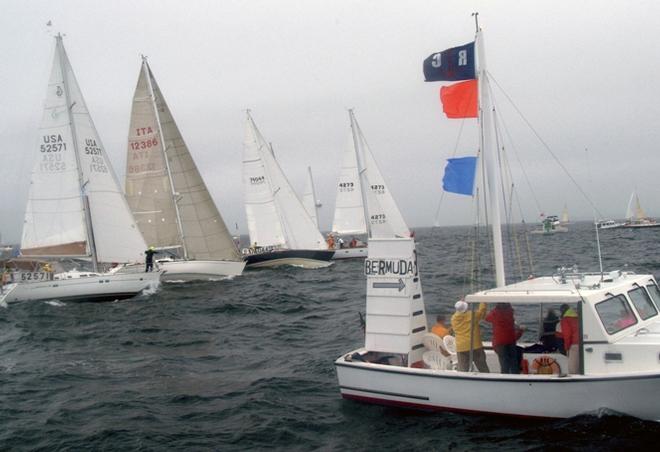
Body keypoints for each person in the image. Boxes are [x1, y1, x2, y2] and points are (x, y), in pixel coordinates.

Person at [451, 300, 490, 373]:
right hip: (474, 345)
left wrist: (461, 304)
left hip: (461, 347)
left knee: (463, 370)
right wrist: (483, 301)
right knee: (483, 368)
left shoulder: (453, 318)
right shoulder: (472, 315)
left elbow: (460, 311)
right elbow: (482, 313)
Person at [486, 303, 524, 374]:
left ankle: (504, 377)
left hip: (499, 343)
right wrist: (521, 331)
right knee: (514, 361)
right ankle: (515, 376)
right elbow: (514, 335)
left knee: (504, 363)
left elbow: (487, 318)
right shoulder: (510, 313)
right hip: (511, 341)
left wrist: (494, 309)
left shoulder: (495, 314)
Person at [560, 304, 579, 374]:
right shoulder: (578, 316)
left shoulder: (565, 319)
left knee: (572, 369)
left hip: (574, 344)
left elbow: (567, 335)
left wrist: (567, 348)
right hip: (583, 343)